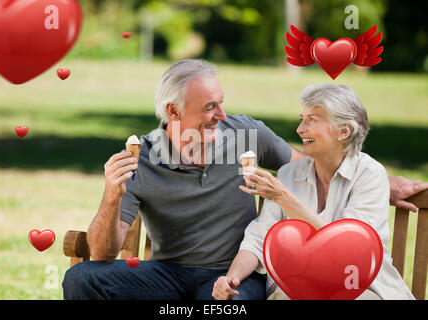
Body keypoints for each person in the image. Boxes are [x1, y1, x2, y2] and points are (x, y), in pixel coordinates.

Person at [63, 60, 426, 300]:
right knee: (82, 279)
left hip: (237, 274)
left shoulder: (247, 134)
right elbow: (102, 254)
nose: (222, 115)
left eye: (221, 103)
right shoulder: (140, 158)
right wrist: (112, 195)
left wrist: (384, 183)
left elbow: (312, 166)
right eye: (209, 108)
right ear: (173, 111)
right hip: (168, 275)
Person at [212, 83, 417, 300]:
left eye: (311, 120)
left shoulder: (370, 175)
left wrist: (284, 198)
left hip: (359, 286)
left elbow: (349, 252)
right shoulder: (288, 174)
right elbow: (258, 239)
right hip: (294, 286)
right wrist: (231, 279)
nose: (300, 129)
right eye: (302, 119)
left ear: (344, 131)